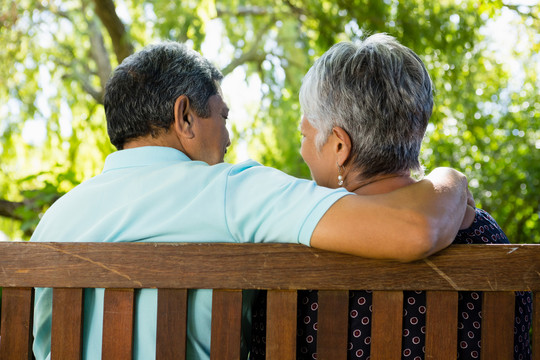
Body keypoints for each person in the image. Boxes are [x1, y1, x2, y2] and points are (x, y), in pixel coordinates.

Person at [31, 41, 471, 360]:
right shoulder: (230, 190)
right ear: (185, 117)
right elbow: (413, 231)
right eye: (222, 117)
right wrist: (450, 179)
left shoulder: (55, 221)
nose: (227, 137)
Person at [253, 34, 530, 359]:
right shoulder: (486, 235)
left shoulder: (299, 247)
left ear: (340, 146)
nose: (302, 149)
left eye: (304, 134)